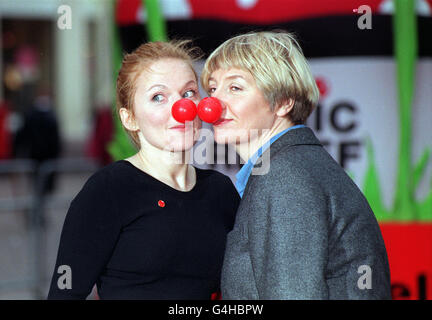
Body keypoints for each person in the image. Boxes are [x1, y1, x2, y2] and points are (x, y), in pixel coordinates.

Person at [201, 31, 391, 299]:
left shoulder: (284, 175)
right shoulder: (292, 164)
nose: (212, 103)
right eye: (212, 89)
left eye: (235, 88)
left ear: (282, 102)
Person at [47, 40, 240, 299]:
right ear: (130, 118)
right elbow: (64, 294)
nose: (181, 109)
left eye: (188, 93)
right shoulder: (109, 190)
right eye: (158, 97)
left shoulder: (220, 190)